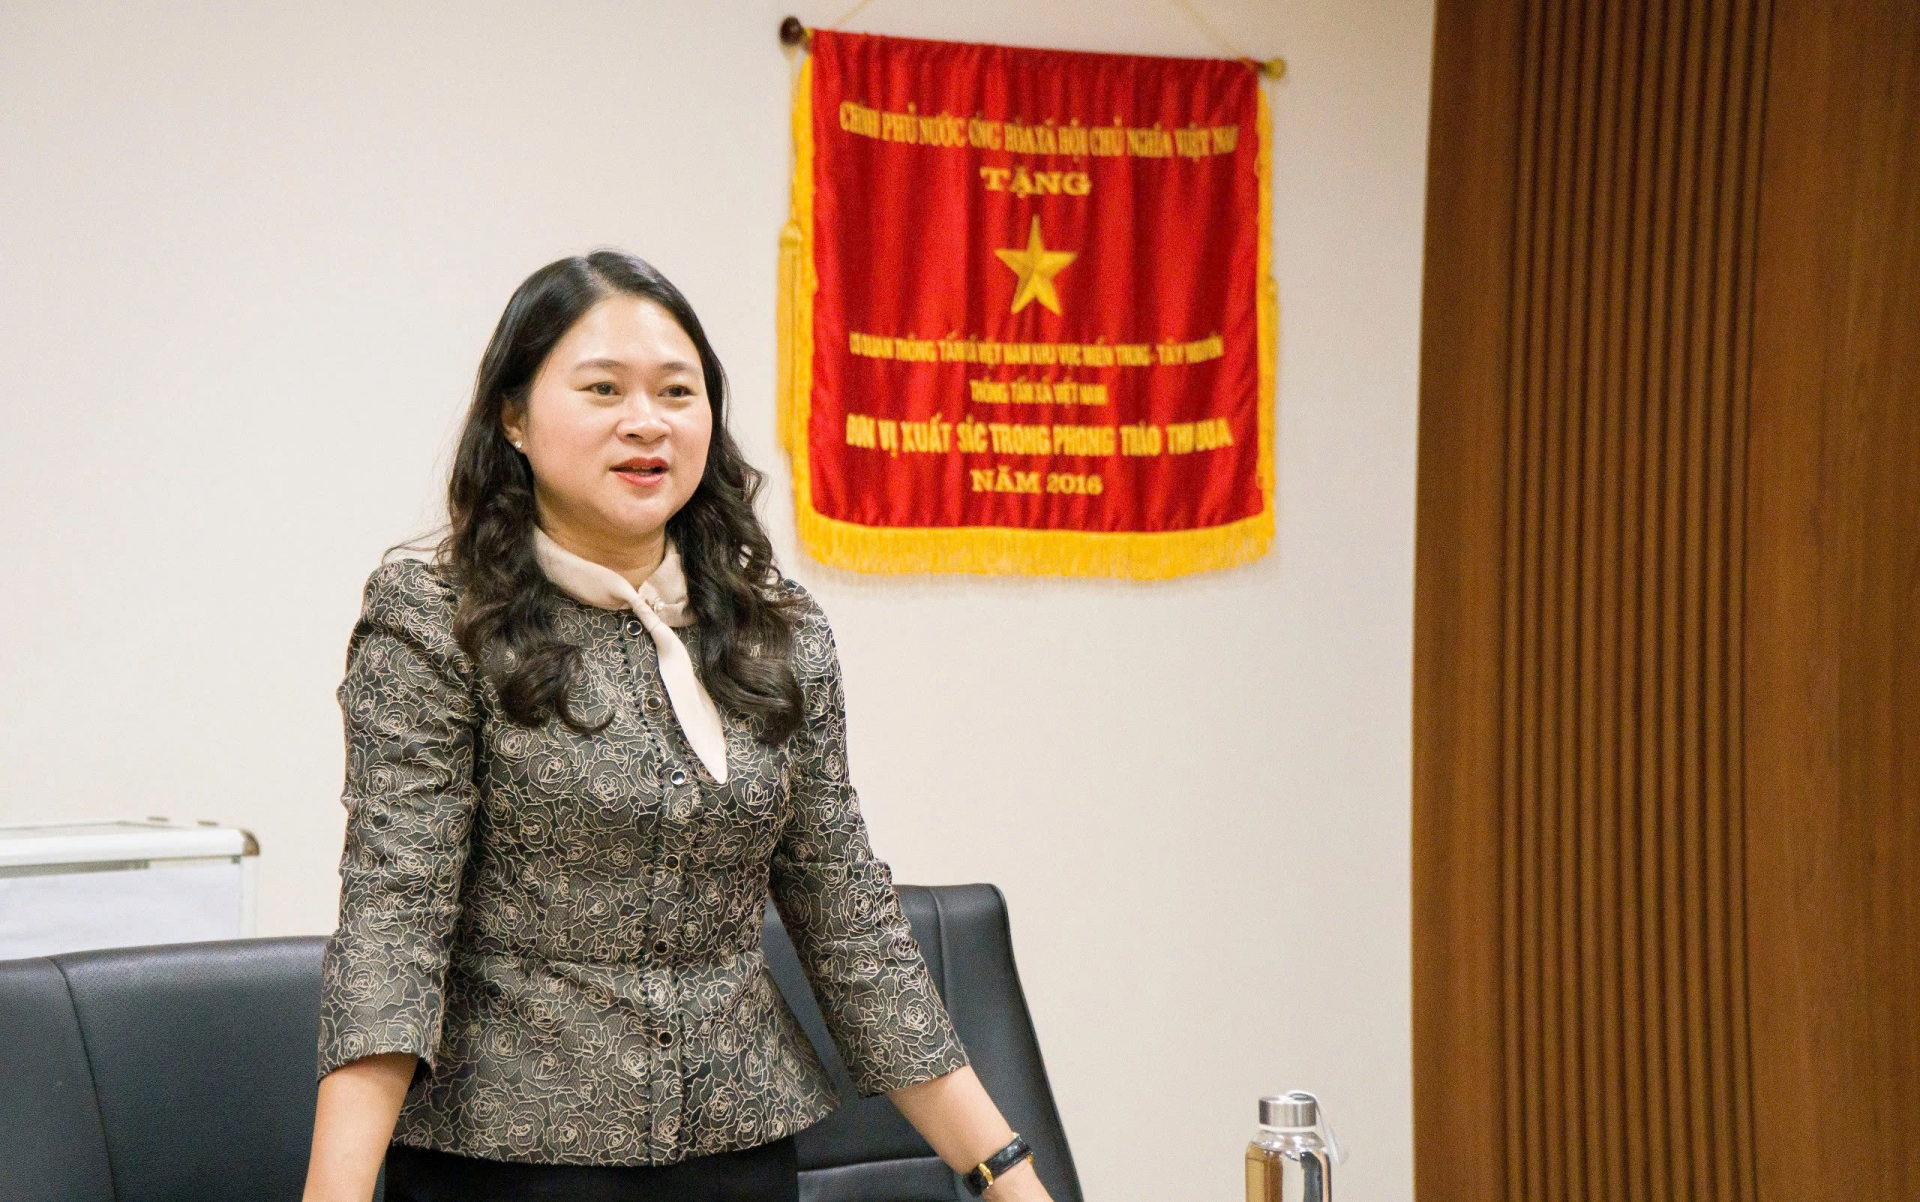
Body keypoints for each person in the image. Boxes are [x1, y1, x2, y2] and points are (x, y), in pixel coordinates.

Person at [300, 250, 1054, 1202]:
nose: (645, 421)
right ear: (513, 418)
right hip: (503, 1162)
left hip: (737, 1153)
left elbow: (847, 918)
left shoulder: (776, 630)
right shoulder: (435, 618)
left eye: (676, 392)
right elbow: (394, 924)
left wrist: (1004, 1173)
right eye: (602, 389)